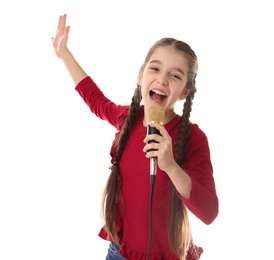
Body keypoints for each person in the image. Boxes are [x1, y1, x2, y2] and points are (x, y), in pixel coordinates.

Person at [51, 14, 218, 260]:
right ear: (140, 76)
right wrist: (65, 55)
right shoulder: (127, 119)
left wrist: (171, 166)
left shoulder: (194, 138)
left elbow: (209, 212)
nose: (162, 78)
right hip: (120, 252)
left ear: (184, 91)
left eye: (175, 75)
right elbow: (95, 100)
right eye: (155, 68)